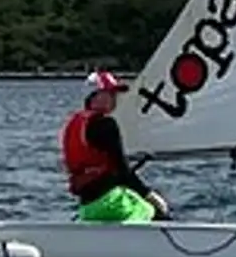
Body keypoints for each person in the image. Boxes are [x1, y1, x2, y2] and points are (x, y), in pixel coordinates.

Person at [61, 70, 171, 223]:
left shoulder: (74, 124)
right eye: (110, 93)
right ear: (94, 96)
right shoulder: (106, 124)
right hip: (112, 204)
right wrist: (149, 194)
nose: (115, 98)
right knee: (156, 212)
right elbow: (123, 170)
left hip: (87, 208)